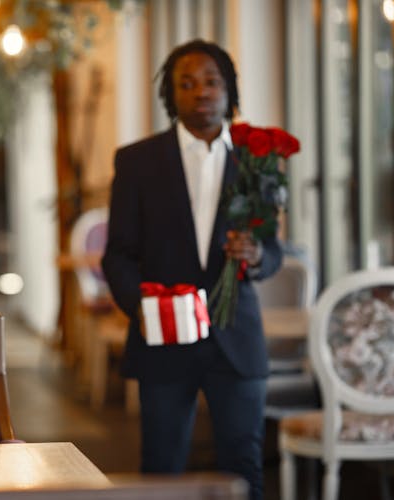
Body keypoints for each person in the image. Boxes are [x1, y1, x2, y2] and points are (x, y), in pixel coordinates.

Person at [101, 39, 282, 499]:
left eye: (211, 81)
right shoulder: (137, 161)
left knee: (244, 469)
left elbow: (274, 248)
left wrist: (258, 256)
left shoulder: (256, 159)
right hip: (164, 338)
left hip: (236, 339)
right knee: (162, 470)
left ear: (229, 89)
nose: (201, 91)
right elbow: (117, 254)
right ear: (171, 94)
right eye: (186, 83)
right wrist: (142, 309)